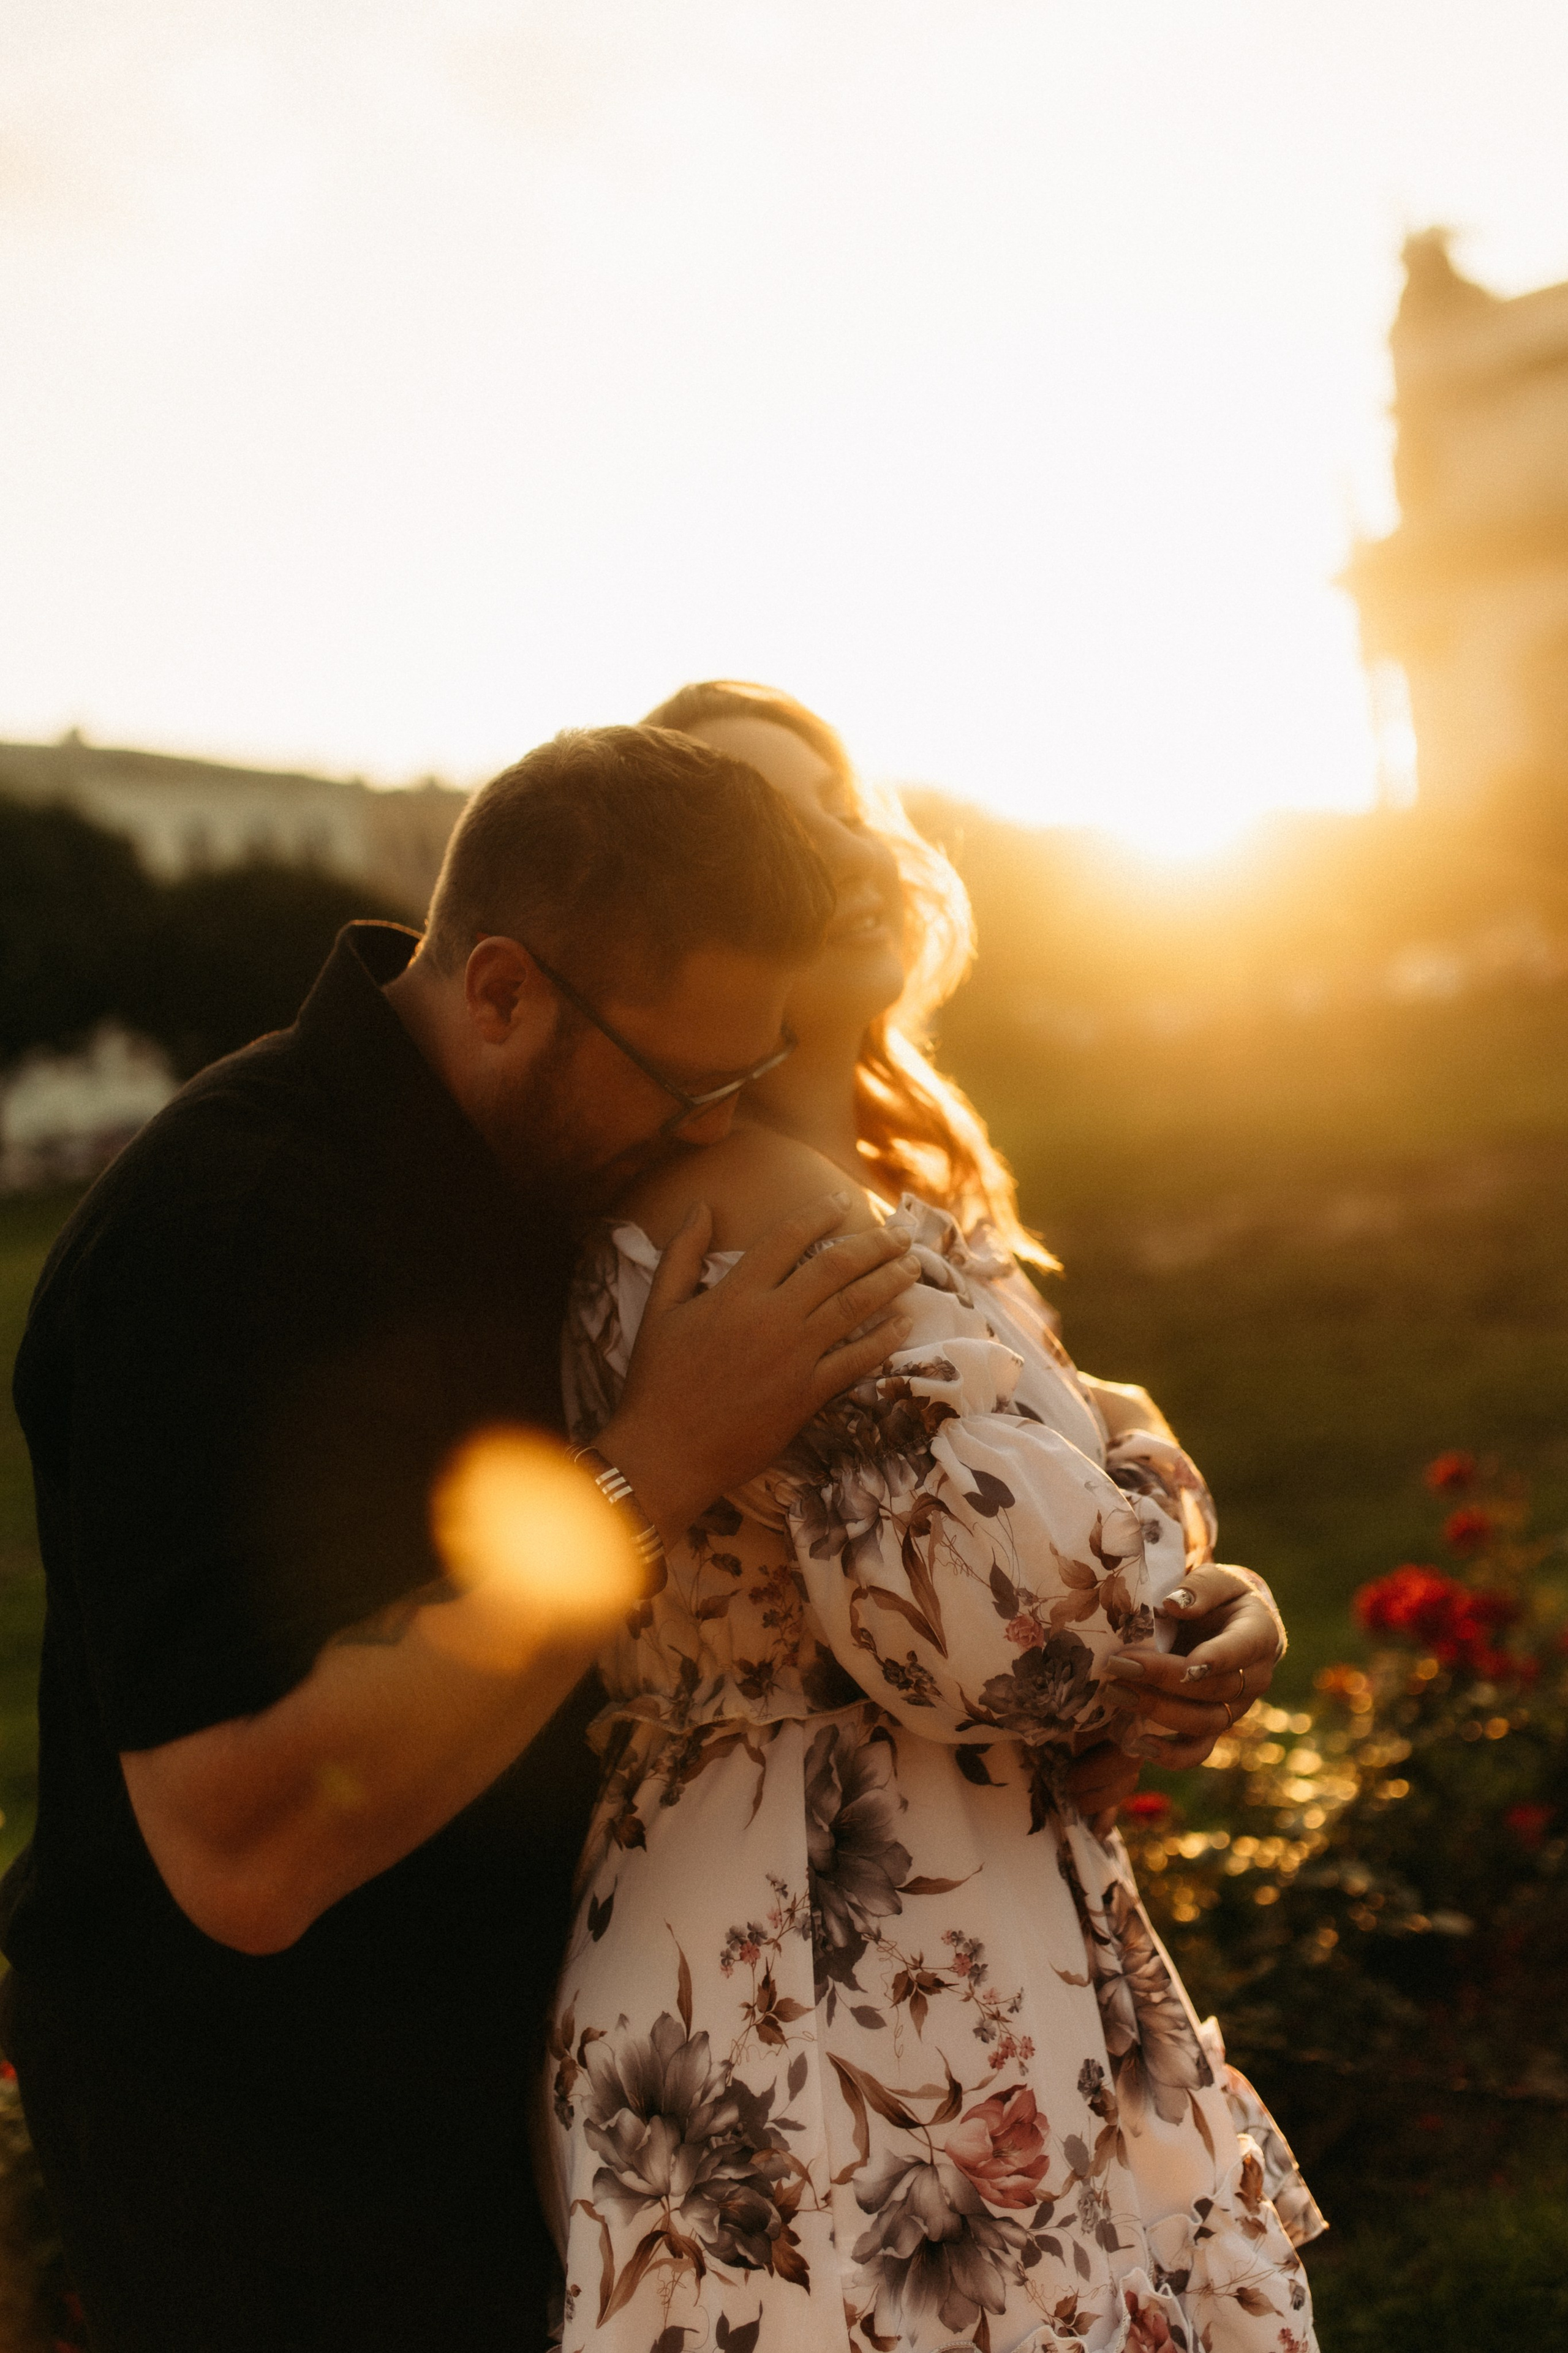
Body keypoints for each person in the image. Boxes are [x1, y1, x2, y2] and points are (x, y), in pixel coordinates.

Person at [0, 724, 929, 2353]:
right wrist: (655, 1462)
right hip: (286, 2168)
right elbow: (246, 1846)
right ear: (500, 989)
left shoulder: (525, 1147)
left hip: (523, 2084)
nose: (711, 1124)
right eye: (686, 1082)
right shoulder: (229, 1235)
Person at [541, 684, 1322, 2351]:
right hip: (814, 1953)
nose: (849, 845)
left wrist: (1220, 1601)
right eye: (776, 824)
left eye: (842, 797)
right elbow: (1026, 1633)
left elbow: (1093, 1510)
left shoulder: (903, 1206)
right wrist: (1156, 1562)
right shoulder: (729, 1231)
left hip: (960, 1907)